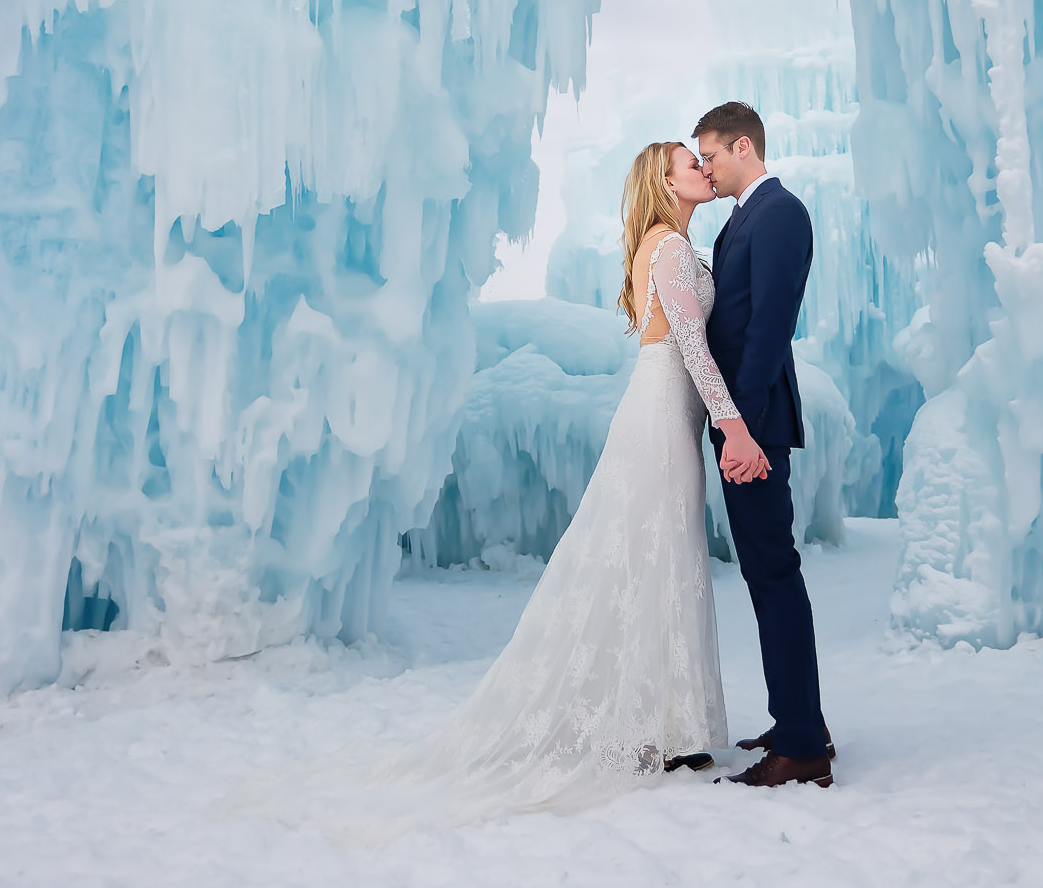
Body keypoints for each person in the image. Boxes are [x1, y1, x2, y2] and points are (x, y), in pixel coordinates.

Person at [263, 140, 757, 842]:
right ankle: (664, 727)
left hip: (664, 409)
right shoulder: (670, 248)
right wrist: (733, 425)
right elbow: (693, 346)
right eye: (688, 162)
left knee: (658, 559)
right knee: (658, 556)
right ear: (663, 180)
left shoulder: (669, 242)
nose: (701, 170)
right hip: (660, 411)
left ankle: (665, 723)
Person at [694, 100, 834, 788]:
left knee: (773, 572)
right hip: (748, 422)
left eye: (711, 155)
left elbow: (770, 327)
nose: (704, 168)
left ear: (742, 145)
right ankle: (796, 718)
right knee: (765, 572)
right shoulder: (746, 217)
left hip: (756, 426)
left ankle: (804, 745)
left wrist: (739, 427)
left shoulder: (780, 212)